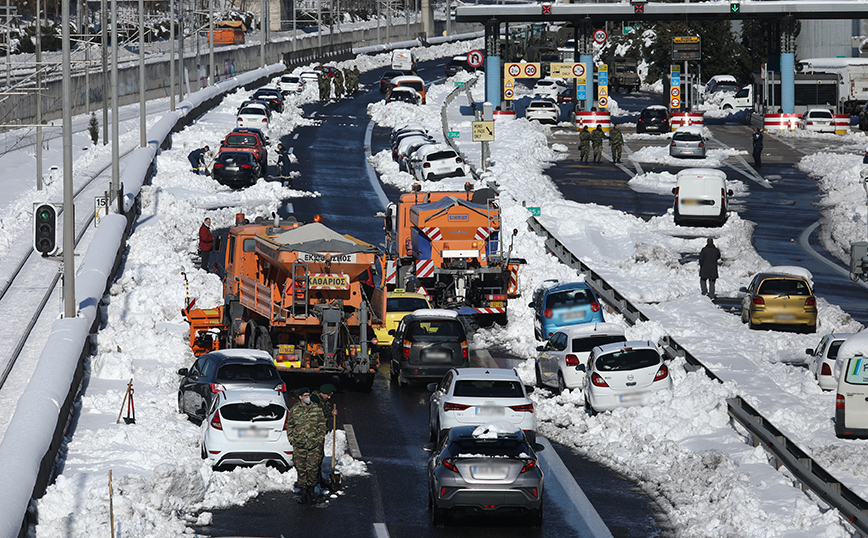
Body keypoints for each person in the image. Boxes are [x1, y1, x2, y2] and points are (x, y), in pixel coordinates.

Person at [286, 387, 328, 504]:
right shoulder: (295, 410)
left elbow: (322, 426)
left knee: (313, 469)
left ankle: (311, 491)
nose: (307, 397)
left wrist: (319, 440)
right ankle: (304, 493)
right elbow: (290, 426)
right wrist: (292, 439)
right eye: (305, 395)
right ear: (300, 397)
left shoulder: (316, 409)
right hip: (299, 446)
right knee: (301, 469)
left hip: (314, 446)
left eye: (308, 395)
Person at [311, 383, 338, 489]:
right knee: (316, 457)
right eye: (328, 395)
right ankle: (315, 480)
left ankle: (319, 477)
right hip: (315, 433)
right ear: (322, 393)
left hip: (320, 433)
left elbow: (325, 413)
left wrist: (332, 414)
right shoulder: (315, 401)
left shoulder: (324, 401)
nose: (329, 397)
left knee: (320, 455)